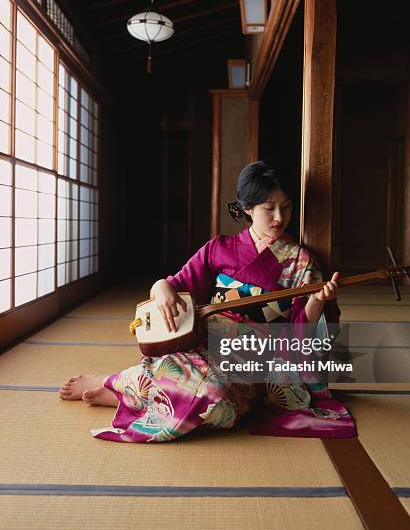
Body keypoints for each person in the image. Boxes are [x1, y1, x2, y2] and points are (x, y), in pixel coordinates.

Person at [59, 161, 355, 442]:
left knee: (218, 399)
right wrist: (161, 287)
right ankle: (115, 384)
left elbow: (299, 331)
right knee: (172, 367)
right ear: (248, 208)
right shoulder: (219, 248)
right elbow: (175, 284)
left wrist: (316, 301)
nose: (279, 217)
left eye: (286, 207)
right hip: (205, 339)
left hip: (257, 355)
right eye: (269, 208)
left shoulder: (301, 262)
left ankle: (131, 394)